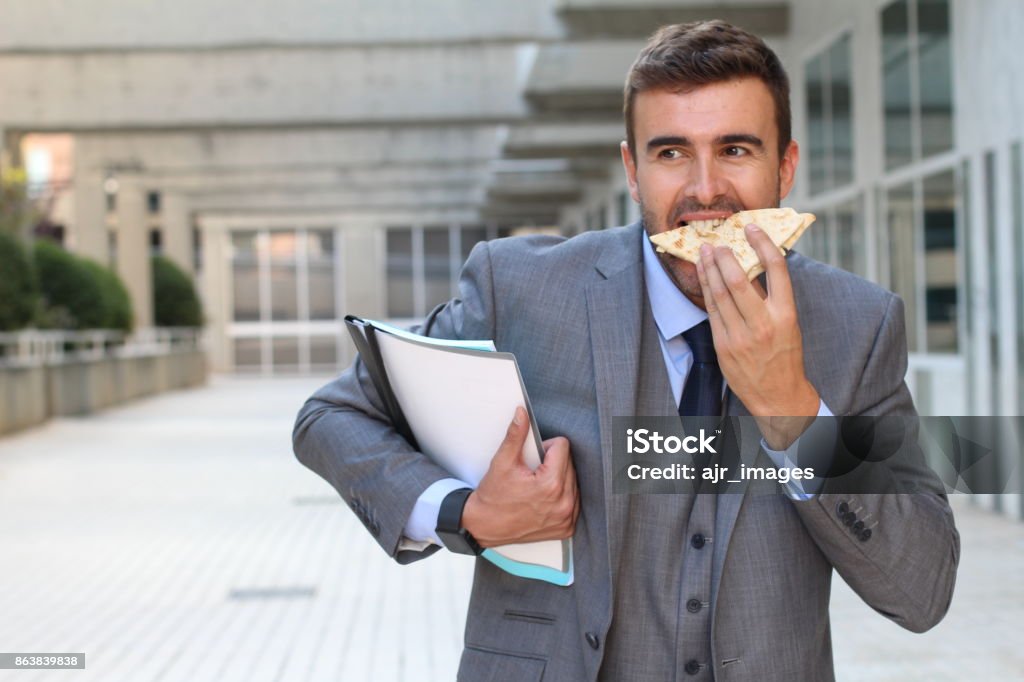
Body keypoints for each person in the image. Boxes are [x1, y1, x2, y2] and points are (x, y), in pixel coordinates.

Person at [293, 20, 959, 681]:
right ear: (632, 171)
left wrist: (796, 414)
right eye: (671, 153)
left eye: (735, 150)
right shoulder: (522, 289)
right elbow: (331, 417)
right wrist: (463, 511)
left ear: (785, 165)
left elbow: (921, 588)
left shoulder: (857, 325)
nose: (704, 191)